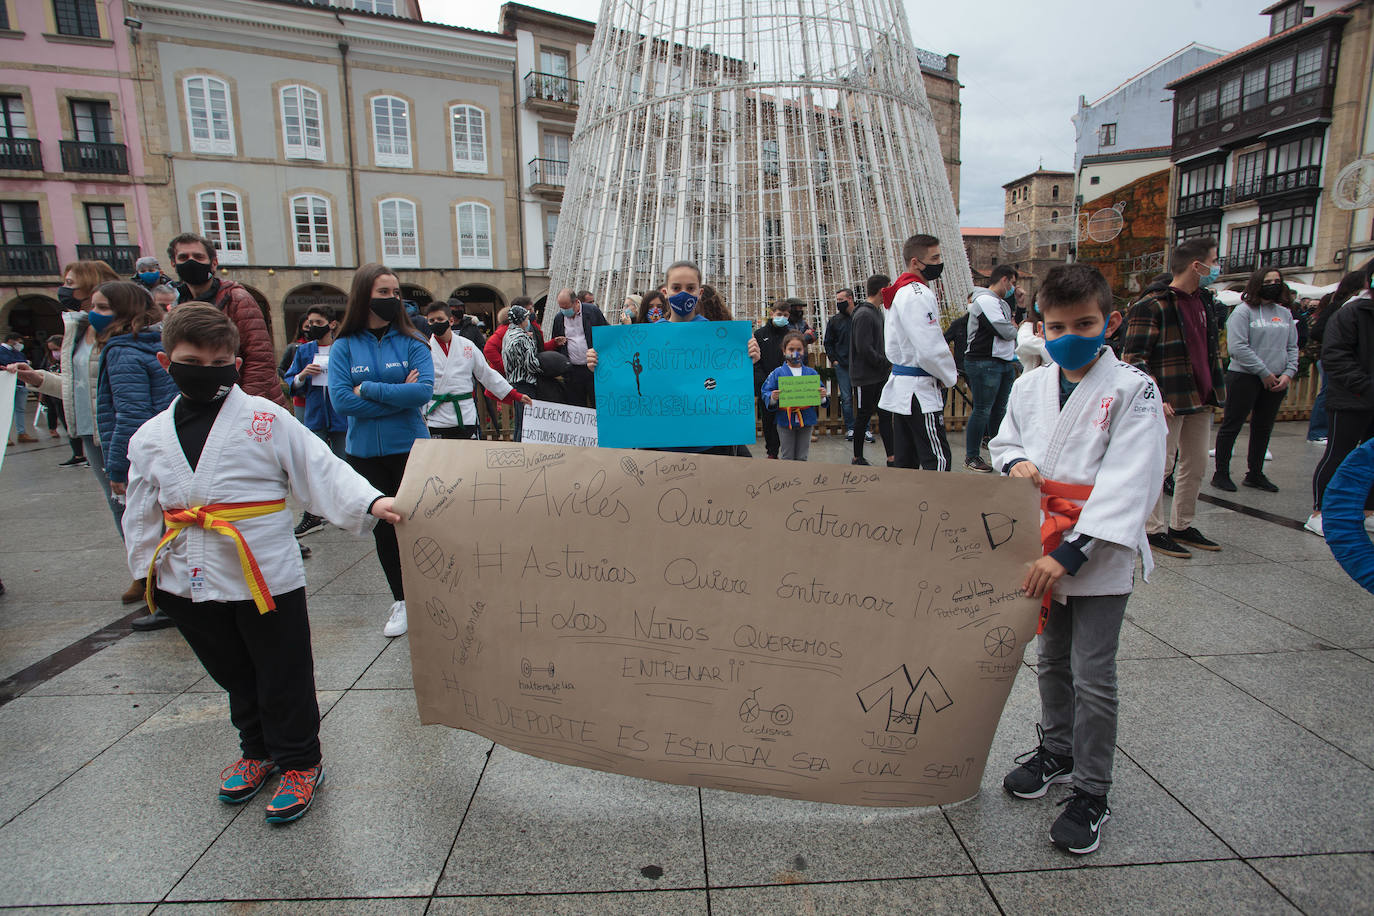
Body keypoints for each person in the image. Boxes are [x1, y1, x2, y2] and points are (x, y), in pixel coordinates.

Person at [123, 303, 401, 824]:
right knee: (230, 669)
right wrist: (145, 567)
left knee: (283, 668)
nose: (206, 369)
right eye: (192, 360)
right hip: (186, 572)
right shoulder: (150, 436)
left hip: (262, 571)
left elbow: (319, 466)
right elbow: (141, 503)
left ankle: (300, 760)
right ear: (166, 362)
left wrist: (371, 503)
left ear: (235, 361)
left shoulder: (265, 418)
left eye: (218, 360)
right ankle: (257, 749)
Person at [991, 263, 1166, 856]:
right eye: (1058, 325)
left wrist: (1071, 553)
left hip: (1095, 547)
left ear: (1109, 322)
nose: (1071, 335)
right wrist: (1014, 463)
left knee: (1094, 674)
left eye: (1085, 323)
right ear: (1040, 326)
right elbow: (1004, 440)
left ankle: (1093, 789)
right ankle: (1057, 749)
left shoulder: (1133, 388)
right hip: (1041, 537)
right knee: (1052, 658)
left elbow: (1131, 482)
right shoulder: (1029, 384)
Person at [9, 261, 133, 581]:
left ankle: (157, 575)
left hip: (116, 427)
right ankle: (141, 572)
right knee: (115, 504)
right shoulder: (77, 329)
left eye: (70, 283)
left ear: (93, 288)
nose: (63, 290)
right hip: (86, 427)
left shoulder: (122, 330)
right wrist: (36, 379)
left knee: (136, 503)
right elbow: (74, 384)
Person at [328, 264, 434, 637]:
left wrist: (368, 389)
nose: (392, 299)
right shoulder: (344, 346)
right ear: (364, 296)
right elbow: (340, 401)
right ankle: (402, 600)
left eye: (395, 293)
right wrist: (395, 396)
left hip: (410, 448)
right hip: (364, 454)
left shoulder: (413, 342)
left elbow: (422, 393)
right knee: (385, 530)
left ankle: (432, 595)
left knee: (422, 524)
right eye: (383, 293)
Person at [586, 261, 761, 455]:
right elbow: (628, 380)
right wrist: (600, 364)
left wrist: (748, 358)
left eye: (690, 288)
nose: (683, 293)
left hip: (708, 445)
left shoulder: (718, 339)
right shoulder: (649, 338)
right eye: (676, 288)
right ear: (665, 292)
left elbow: (728, 382)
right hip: (660, 446)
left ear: (699, 293)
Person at [1121, 237, 1226, 560]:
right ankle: (1152, 528)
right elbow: (1133, 358)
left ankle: (1182, 523)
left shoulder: (1205, 302)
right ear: (1198, 265)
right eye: (1213, 259)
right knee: (1161, 465)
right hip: (1168, 398)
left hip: (1200, 396)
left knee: (1196, 464)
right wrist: (1157, 395)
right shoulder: (1152, 306)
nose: (1216, 266)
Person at [92, 281, 180, 630]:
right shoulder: (153, 344)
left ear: (123, 312)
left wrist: (116, 466)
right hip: (167, 445)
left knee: (148, 524)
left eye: (101, 307)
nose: (93, 314)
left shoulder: (122, 351)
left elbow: (129, 413)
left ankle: (167, 600)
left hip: (140, 451)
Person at [169, 233, 286, 406]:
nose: (191, 262)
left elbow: (260, 359)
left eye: (198, 257)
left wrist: (246, 406)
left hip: (239, 401)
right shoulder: (178, 303)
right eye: (183, 257)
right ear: (173, 263)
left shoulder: (237, 299)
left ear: (213, 263)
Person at [1211, 268, 1299, 493]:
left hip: (1277, 378)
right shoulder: (1243, 312)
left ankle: (1255, 473)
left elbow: (1292, 347)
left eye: (1277, 281)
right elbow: (1238, 347)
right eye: (1268, 281)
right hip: (1245, 376)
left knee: (1263, 426)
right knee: (1232, 423)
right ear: (1258, 283)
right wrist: (1263, 372)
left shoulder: (1285, 314)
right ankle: (1221, 473)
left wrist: (1288, 372)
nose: (1273, 284)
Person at [878, 234, 958, 471]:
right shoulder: (917, 294)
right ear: (915, 262)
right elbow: (929, 346)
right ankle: (940, 506)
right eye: (934, 258)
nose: (938, 262)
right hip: (919, 390)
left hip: (905, 389)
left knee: (906, 459)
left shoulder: (902, 292)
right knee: (938, 460)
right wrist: (947, 376)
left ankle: (907, 506)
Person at [1306, 260, 1374, 537]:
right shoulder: (1352, 313)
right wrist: (1365, 386)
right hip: (1351, 397)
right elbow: (1335, 356)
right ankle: (1320, 511)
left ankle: (1368, 509)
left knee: (1370, 458)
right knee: (1338, 453)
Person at [283, 306, 349, 538]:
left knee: (343, 464)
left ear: (331, 324)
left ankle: (344, 509)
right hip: (314, 414)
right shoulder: (304, 351)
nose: (312, 327)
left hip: (341, 416)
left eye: (318, 321)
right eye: (310, 322)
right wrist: (302, 375)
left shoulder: (343, 347)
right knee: (313, 465)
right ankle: (313, 514)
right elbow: (289, 378)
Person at [425, 301, 528, 440]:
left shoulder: (467, 345)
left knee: (468, 460)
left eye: (440, 319)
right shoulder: (425, 349)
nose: (436, 323)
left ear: (450, 320)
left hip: (465, 414)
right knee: (442, 461)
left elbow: (486, 373)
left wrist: (515, 395)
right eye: (431, 320)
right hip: (437, 418)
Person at [963, 266, 1020, 472]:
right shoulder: (986, 300)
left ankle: (997, 449)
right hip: (984, 362)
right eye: (1012, 283)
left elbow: (1010, 328)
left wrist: (1014, 320)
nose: (1013, 288)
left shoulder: (1001, 303)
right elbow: (1005, 330)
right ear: (1004, 280)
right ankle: (971, 456)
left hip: (1001, 361)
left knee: (999, 410)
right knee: (983, 409)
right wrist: (1014, 327)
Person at [1306, 273, 1368, 447]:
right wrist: (1335, 341)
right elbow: (1317, 331)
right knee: (1327, 393)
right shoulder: (1342, 307)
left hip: (1347, 362)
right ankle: (1317, 431)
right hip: (1335, 360)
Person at [762, 331, 827, 460]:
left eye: (799, 349)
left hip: (806, 419)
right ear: (784, 350)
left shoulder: (811, 373)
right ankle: (788, 480)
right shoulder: (777, 373)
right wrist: (772, 397)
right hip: (785, 419)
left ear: (804, 351)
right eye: (791, 349)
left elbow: (821, 392)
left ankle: (801, 479)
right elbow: (766, 391)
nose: (795, 352)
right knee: (787, 455)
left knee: (803, 455)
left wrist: (822, 395)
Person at [850, 274, 893, 466]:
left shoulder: (877, 312)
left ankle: (891, 456)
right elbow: (864, 347)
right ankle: (857, 456)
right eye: (889, 288)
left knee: (885, 414)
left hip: (879, 375)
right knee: (863, 416)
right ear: (882, 290)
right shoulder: (864, 314)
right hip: (865, 377)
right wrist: (884, 362)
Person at [549, 288, 606, 408]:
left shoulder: (592, 311)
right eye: (562, 308)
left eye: (567, 307)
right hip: (572, 371)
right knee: (576, 406)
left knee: (598, 403)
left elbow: (605, 333)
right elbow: (555, 342)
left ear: (576, 302)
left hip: (593, 367)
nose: (565, 311)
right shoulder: (559, 318)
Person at [754, 301, 794, 459]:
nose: (782, 318)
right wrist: (763, 383)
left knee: (785, 419)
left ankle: (787, 451)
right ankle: (771, 452)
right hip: (766, 386)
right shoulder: (760, 334)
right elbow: (756, 361)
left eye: (785, 315)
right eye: (779, 314)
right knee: (768, 421)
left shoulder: (791, 335)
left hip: (786, 385)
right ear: (772, 314)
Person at [502, 304, 542, 441]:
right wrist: (542, 369)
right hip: (526, 383)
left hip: (514, 383)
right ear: (521, 320)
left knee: (519, 422)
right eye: (526, 317)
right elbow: (531, 364)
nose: (528, 320)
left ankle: (517, 445)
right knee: (528, 423)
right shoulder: (523, 338)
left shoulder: (508, 335)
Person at [42, 334, 83, 460]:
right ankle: (77, 454)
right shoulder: (50, 361)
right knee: (68, 426)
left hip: (73, 398)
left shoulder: (74, 359)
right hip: (56, 399)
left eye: (55, 349)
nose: (54, 353)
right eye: (51, 350)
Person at [824, 289, 856, 441]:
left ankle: (865, 429)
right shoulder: (835, 320)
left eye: (841, 299)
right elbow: (828, 342)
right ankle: (850, 428)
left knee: (863, 398)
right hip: (842, 365)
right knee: (846, 397)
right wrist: (834, 360)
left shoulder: (860, 316)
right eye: (837, 300)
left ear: (850, 299)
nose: (838, 303)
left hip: (860, 364)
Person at [0, 332, 35, 445]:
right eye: (19, 342)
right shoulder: (1, 350)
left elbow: (22, 362)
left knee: (20, 410)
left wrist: (21, 363)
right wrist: (22, 363)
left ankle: (22, 433)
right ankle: (6, 436)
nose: (20, 345)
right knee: (6, 411)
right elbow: (9, 363)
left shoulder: (17, 352)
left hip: (20, 383)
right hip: (7, 384)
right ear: (11, 340)